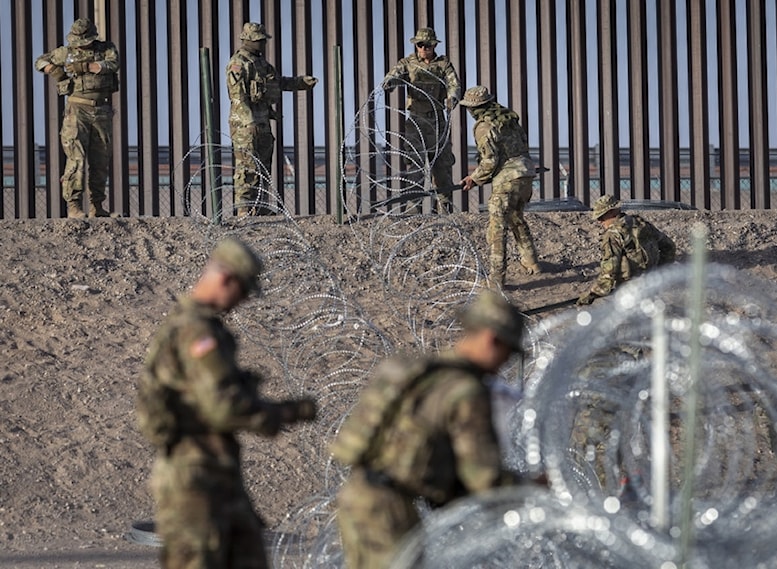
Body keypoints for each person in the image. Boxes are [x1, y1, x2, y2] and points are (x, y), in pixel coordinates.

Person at [136, 237, 317, 568]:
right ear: (225, 279)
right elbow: (224, 407)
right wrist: (282, 413)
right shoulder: (194, 332)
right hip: (194, 481)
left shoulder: (197, 326)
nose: (244, 299)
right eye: (244, 289)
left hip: (217, 475)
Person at [331, 291, 529, 569]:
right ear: (490, 339)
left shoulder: (412, 369)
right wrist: (532, 488)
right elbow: (484, 479)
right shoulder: (465, 392)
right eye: (506, 354)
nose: (502, 366)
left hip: (356, 495)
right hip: (391, 509)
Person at [226, 22, 318, 216]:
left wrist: (302, 82)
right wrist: (249, 121)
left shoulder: (262, 64)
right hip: (245, 125)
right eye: (259, 40)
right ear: (249, 40)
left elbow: (279, 81)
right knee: (247, 166)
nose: (262, 44)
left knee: (263, 166)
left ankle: (258, 207)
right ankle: (244, 209)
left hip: (263, 122)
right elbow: (237, 96)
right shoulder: (238, 63)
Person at [35, 18, 120, 219]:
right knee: (76, 159)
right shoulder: (67, 52)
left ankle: (97, 206)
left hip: (101, 111)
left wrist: (87, 67)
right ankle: (74, 206)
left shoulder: (106, 49)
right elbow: (40, 61)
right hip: (77, 111)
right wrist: (55, 71)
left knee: (100, 161)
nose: (81, 44)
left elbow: (112, 64)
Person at [459, 86, 541, 288]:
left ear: (474, 108)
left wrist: (474, 178)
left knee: (497, 228)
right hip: (526, 173)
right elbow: (521, 144)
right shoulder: (508, 118)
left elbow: (490, 161)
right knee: (516, 218)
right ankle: (532, 262)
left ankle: (496, 280)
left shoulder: (483, 126)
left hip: (507, 179)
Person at [382, 28, 460, 214]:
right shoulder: (408, 63)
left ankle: (444, 207)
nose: (424, 48)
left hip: (436, 121)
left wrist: (452, 98)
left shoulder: (443, 64)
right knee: (414, 164)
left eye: (428, 45)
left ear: (434, 45)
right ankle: (414, 207)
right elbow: (393, 75)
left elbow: (454, 84)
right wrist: (390, 82)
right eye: (420, 45)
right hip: (415, 121)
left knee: (441, 164)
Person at [576, 195, 676, 305]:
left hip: (629, 291)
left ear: (612, 212)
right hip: (650, 285)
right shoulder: (641, 224)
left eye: (601, 217)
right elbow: (669, 246)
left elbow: (610, 271)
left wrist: (592, 294)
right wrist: (659, 272)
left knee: (629, 319)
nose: (600, 222)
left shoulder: (613, 235)